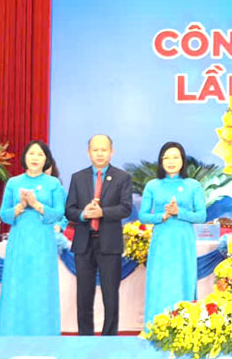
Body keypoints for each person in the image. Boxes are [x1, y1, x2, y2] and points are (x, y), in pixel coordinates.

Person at [0, 140, 66, 335]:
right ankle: (12, 331)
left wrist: (36, 204)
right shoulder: (14, 182)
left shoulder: (53, 183)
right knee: (17, 283)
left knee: (41, 285)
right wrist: (20, 207)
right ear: (25, 157)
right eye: (31, 153)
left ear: (46, 160)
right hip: (19, 241)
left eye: (40, 154)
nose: (35, 158)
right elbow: (4, 215)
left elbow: (59, 213)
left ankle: (44, 332)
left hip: (43, 241)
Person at [65, 134, 133, 335]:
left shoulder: (122, 177)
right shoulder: (78, 177)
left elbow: (126, 208)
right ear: (88, 153)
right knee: (83, 296)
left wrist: (103, 212)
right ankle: (85, 338)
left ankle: (108, 338)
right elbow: (69, 210)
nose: (100, 153)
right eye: (95, 149)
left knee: (110, 296)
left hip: (109, 244)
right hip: (83, 244)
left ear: (111, 152)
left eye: (104, 149)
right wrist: (84, 214)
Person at [139, 142, 207, 324]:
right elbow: (143, 215)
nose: (171, 161)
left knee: (183, 280)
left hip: (183, 241)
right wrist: (163, 215)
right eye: (166, 157)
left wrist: (180, 213)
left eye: (175, 157)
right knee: (159, 282)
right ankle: (155, 325)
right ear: (161, 161)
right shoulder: (153, 185)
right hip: (161, 241)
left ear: (182, 160)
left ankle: (182, 326)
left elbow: (201, 216)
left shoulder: (193, 185)